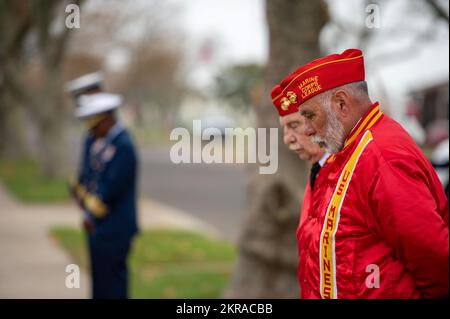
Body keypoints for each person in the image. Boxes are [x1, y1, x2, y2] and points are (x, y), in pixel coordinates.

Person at [271, 48, 449, 299]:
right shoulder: (352, 150)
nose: (307, 130)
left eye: (309, 116)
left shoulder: (381, 154)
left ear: (342, 104)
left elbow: (435, 261)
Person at [66, 78, 139, 299]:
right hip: (100, 226)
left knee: (113, 285)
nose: (92, 130)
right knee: (100, 284)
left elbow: (111, 189)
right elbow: (90, 175)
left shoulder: (123, 146)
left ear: (107, 120)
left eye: (94, 124)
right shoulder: (105, 141)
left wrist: (90, 210)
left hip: (114, 227)